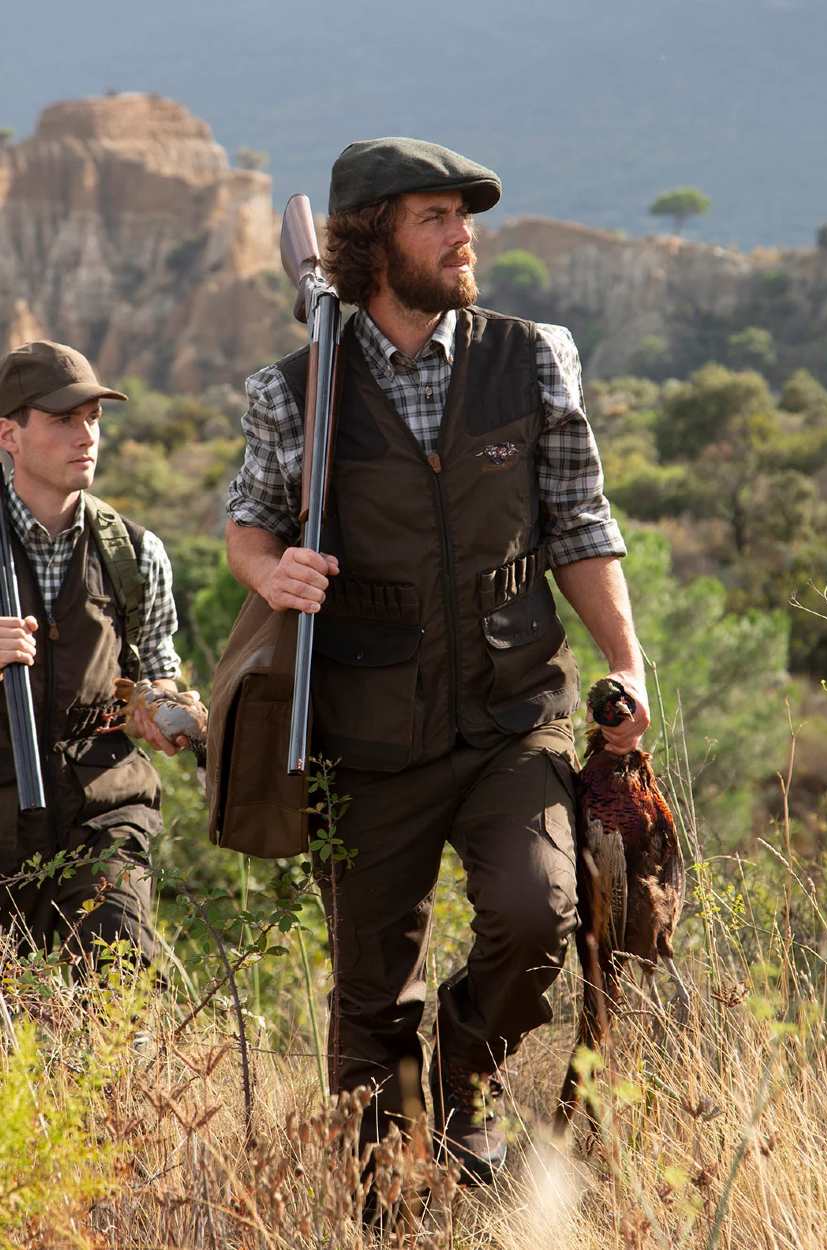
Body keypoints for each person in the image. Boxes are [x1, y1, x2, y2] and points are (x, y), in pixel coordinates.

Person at [225, 138, 649, 1179]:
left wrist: (628, 665)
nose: (465, 237)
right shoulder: (292, 391)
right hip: (366, 730)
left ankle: (466, 1070)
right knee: (370, 995)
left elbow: (580, 523)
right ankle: (391, 1194)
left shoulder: (533, 355)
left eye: (466, 216)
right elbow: (248, 525)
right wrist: (269, 572)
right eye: (435, 217)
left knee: (537, 911)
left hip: (514, 707)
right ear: (374, 243)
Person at [0, 340, 186, 970]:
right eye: (62, 419)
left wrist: (161, 708)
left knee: (120, 970)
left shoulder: (136, 552)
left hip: (104, 813)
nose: (86, 436)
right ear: (9, 434)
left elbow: (157, 668)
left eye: (93, 419)